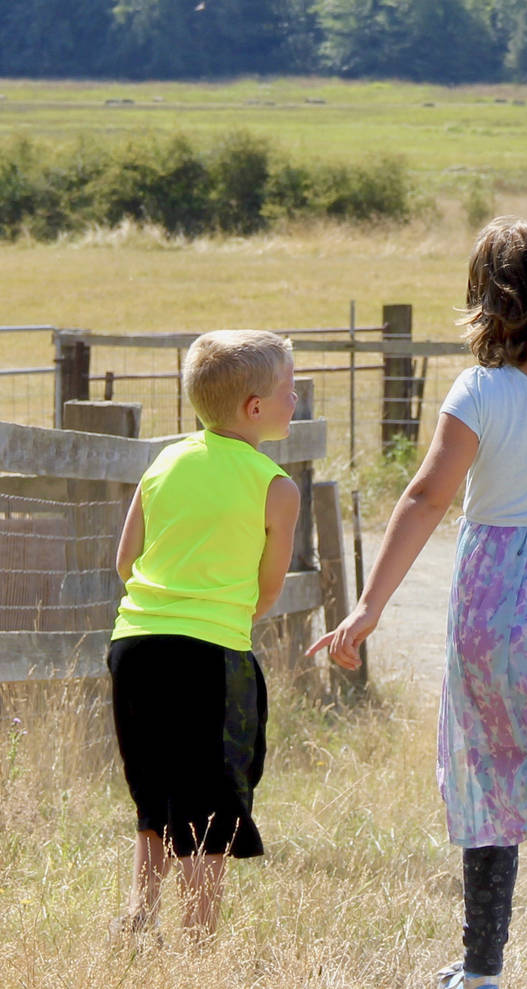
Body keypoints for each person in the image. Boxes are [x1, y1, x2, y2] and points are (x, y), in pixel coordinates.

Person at [312, 218, 527, 989]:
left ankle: (482, 968)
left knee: (493, 775)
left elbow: (428, 494)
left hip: (493, 607)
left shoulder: (480, 391)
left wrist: (369, 607)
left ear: (487, 303)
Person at [107, 330, 301, 938]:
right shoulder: (275, 486)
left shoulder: (164, 461)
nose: (296, 402)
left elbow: (124, 562)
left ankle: (140, 917)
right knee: (211, 799)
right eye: (289, 392)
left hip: (133, 646)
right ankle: (199, 940)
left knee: (155, 789)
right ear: (254, 408)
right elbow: (267, 590)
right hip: (211, 654)